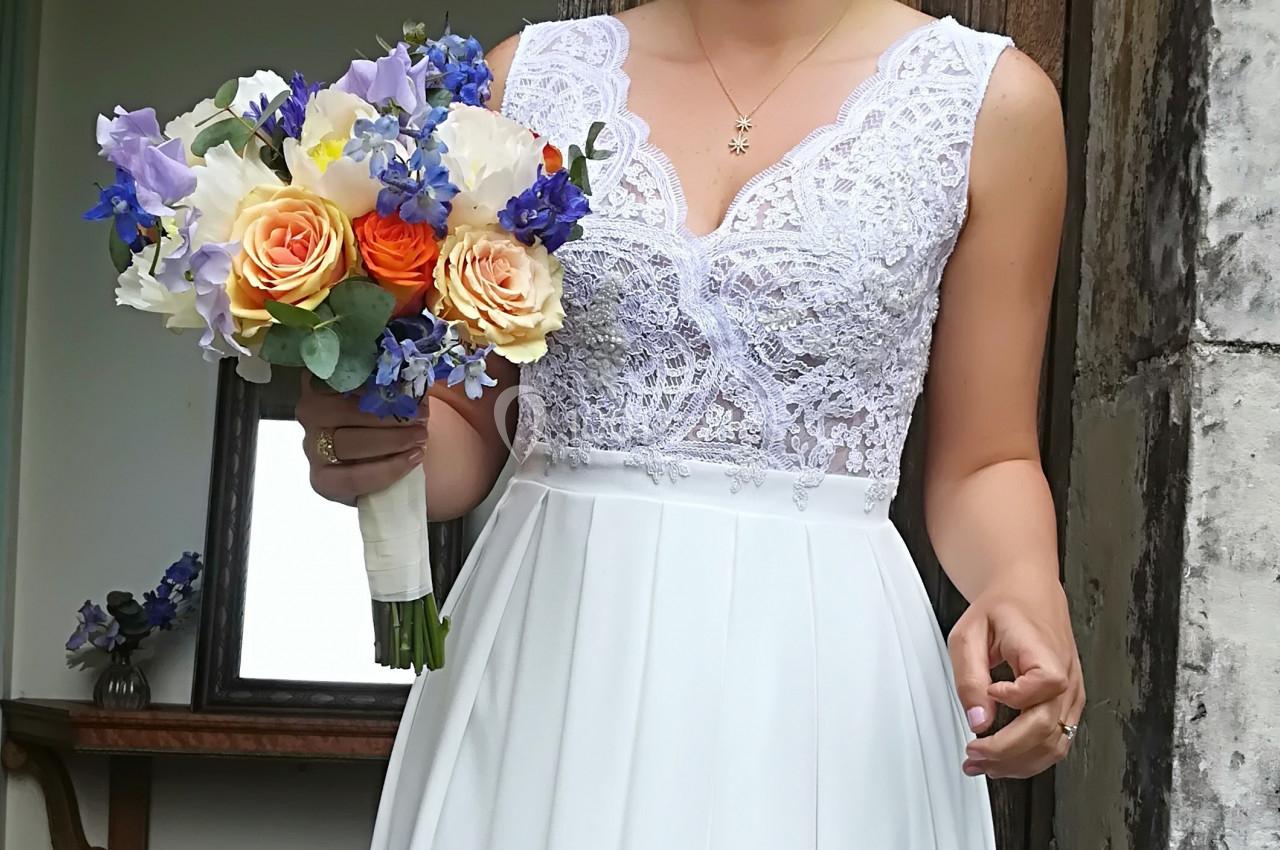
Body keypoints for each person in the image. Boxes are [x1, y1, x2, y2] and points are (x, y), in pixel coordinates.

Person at [298, 0, 1082, 846]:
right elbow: (465, 433)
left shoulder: (989, 101)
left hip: (817, 667)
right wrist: (365, 431)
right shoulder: (520, 78)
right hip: (554, 651)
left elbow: (986, 461)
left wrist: (1024, 584)